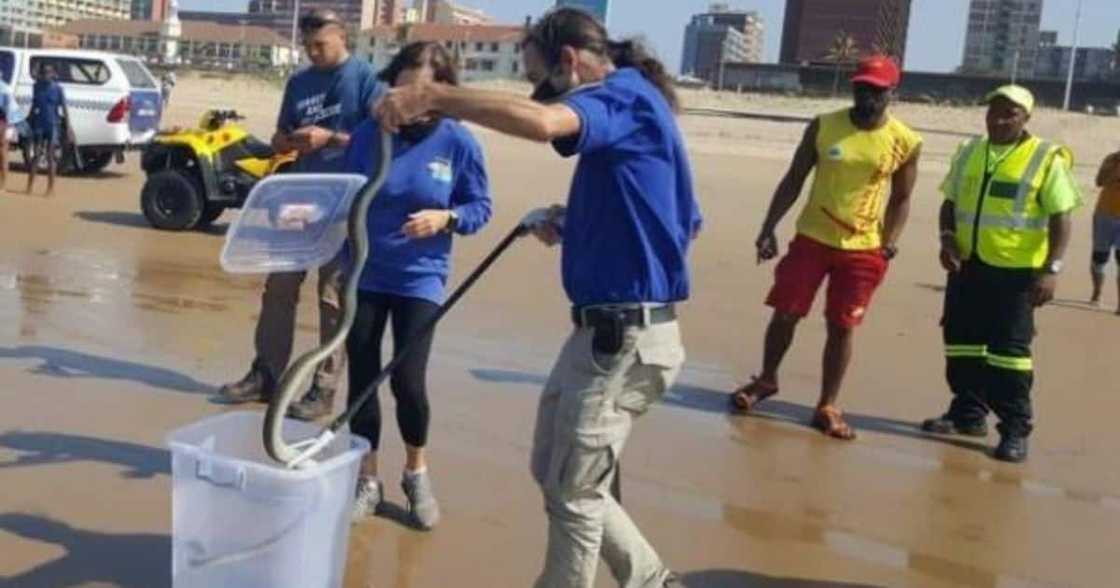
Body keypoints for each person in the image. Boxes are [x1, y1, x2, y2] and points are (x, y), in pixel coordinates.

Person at [377, 8, 699, 587]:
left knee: (575, 493)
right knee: (553, 469)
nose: (536, 91)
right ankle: (653, 580)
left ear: (569, 62)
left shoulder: (624, 96)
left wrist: (436, 96)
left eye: (539, 78)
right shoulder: (632, 115)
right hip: (602, 335)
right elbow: (679, 220)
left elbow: (546, 123)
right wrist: (577, 222)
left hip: (624, 338)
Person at [729, 55, 922, 440]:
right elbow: (794, 178)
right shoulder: (823, 125)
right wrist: (768, 227)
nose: (866, 97)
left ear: (891, 93)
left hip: (863, 248)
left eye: (876, 91)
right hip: (812, 239)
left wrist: (890, 243)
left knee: (842, 326)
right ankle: (766, 379)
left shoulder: (906, 141)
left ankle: (827, 404)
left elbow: (901, 198)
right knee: (785, 313)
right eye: (861, 89)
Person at [344, 41, 492, 530]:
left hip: (420, 277)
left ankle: (415, 472)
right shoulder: (369, 134)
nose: (410, 99)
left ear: (444, 92)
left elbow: (480, 208)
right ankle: (367, 478)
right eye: (403, 87)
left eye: (423, 90)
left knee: (408, 381)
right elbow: (342, 192)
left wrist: (446, 218)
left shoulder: (458, 141)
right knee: (362, 378)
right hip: (365, 271)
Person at [218, 9, 383, 419]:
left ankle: (323, 389)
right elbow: (280, 135)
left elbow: (378, 141)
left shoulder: (366, 79)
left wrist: (331, 138)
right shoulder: (298, 82)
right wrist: (285, 140)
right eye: (307, 46)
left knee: (333, 298)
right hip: (300, 198)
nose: (312, 52)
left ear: (342, 36)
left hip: (345, 202)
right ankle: (266, 374)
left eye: (319, 45)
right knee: (279, 287)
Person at [921, 85, 1081, 463]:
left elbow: (1061, 217)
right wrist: (947, 239)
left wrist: (1052, 269)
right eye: (993, 111)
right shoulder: (969, 151)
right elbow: (950, 202)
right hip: (967, 267)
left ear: (1026, 118)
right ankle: (968, 413)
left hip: (1016, 275)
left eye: (1010, 113)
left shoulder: (1045, 157)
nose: (999, 119)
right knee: (961, 343)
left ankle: (1014, 429)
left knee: (1009, 355)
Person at [27, 63, 71, 197]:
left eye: (48, 72)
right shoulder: (36, 87)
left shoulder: (58, 89)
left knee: (50, 156)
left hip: (52, 125)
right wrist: (28, 121)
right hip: (39, 125)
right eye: (43, 72)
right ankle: (29, 186)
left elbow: (64, 109)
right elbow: (34, 105)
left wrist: (68, 128)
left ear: (53, 74)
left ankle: (50, 189)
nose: (46, 75)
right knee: (36, 156)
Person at [1090, 149, 1120, 313]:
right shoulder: (1111, 159)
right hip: (1104, 215)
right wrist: (1112, 171)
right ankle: (1097, 292)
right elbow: (1099, 182)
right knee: (1100, 258)